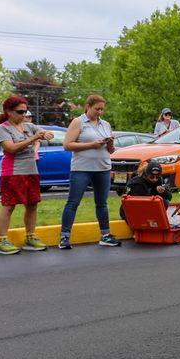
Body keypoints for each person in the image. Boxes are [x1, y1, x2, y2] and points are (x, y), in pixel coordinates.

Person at [0, 96, 54, 254]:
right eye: (20, 112)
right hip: (12, 172)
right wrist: (33, 138)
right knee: (9, 205)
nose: (23, 115)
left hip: (31, 170)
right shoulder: (3, 129)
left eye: (25, 111)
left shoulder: (28, 125)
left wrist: (46, 133)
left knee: (32, 204)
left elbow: (41, 131)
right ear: (8, 112)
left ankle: (30, 238)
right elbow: (11, 148)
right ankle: (1, 241)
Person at [60, 94, 121, 250]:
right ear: (88, 106)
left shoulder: (105, 124)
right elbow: (67, 145)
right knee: (73, 202)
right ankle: (65, 237)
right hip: (82, 168)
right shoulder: (78, 122)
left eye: (101, 109)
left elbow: (111, 151)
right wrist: (91, 145)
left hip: (103, 168)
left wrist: (110, 144)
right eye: (96, 109)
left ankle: (105, 235)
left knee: (102, 203)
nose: (99, 112)